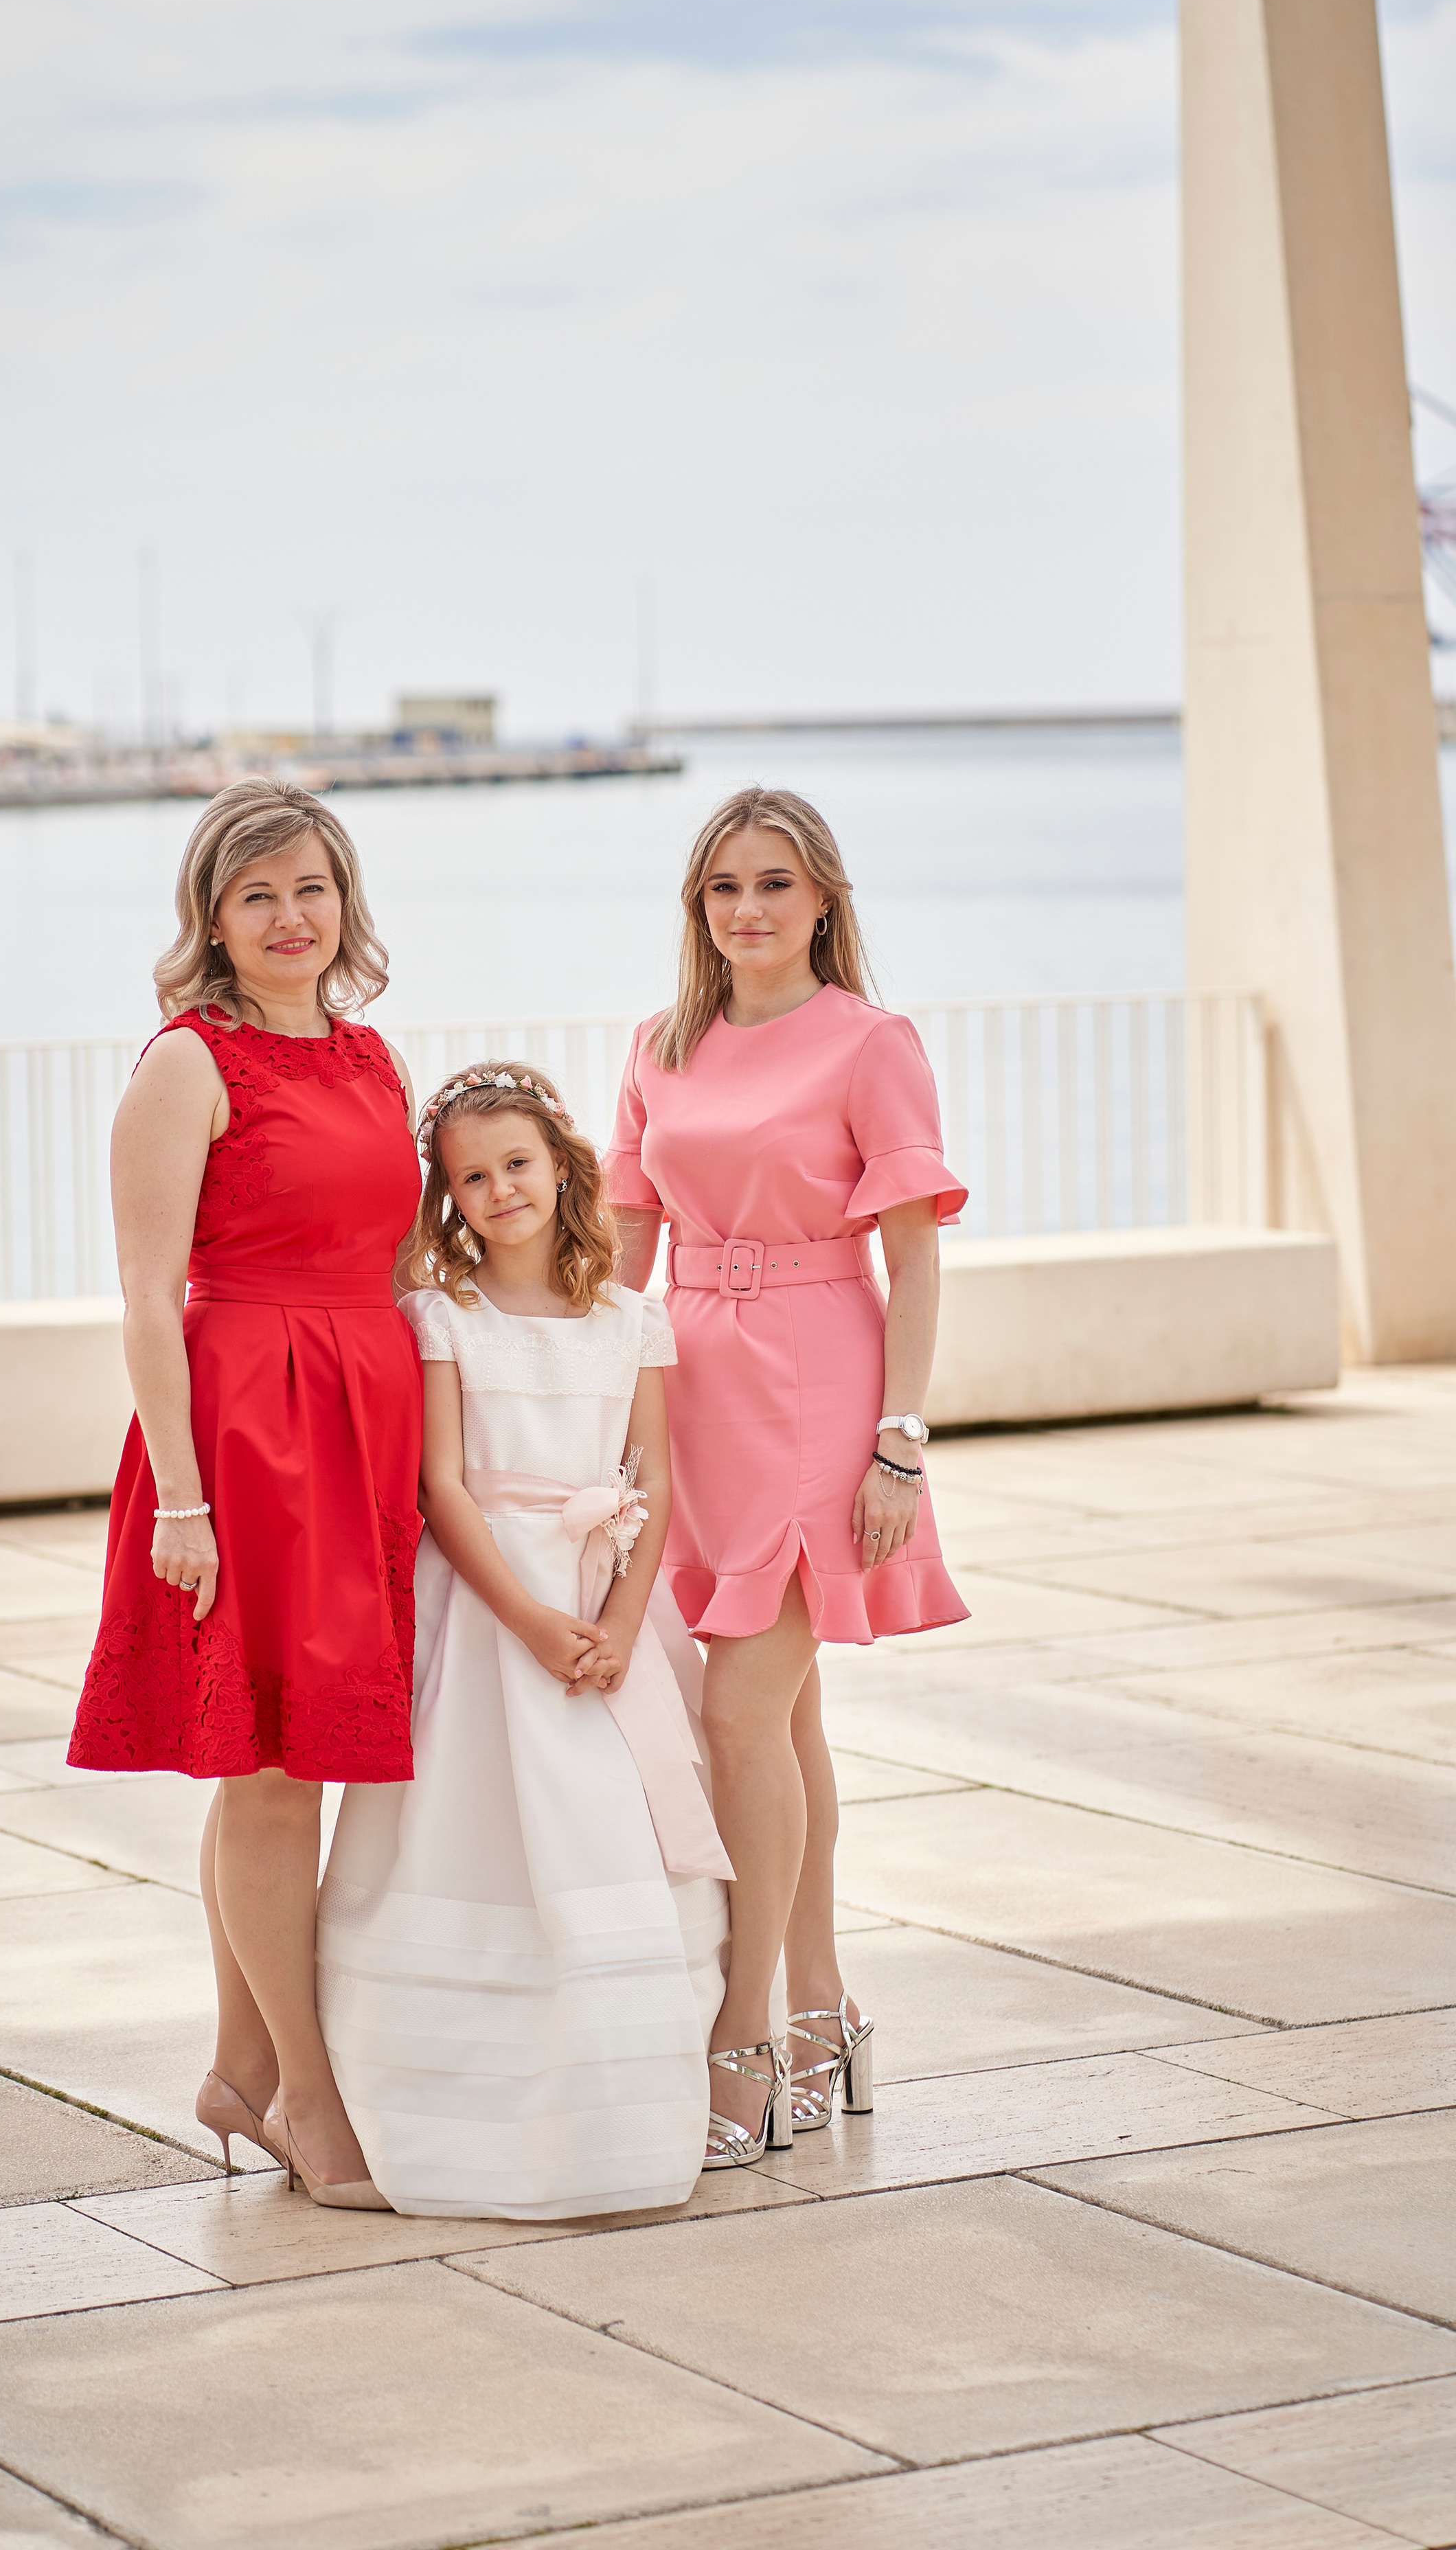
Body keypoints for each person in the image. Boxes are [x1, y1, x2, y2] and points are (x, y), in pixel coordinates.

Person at [67, 779, 422, 2211]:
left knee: (290, 1767)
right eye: (257, 893)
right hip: (242, 1437)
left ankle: (239, 2070)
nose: (289, 917)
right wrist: (184, 1500)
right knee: (270, 1775)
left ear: (345, 907)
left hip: (360, 1428)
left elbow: (397, 1264)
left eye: (311, 890)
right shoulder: (186, 1063)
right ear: (212, 916)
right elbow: (149, 1297)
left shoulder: (370, 1055)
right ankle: (311, 2099)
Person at [605, 787, 968, 2169]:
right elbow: (623, 1243)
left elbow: (915, 1258)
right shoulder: (657, 1043)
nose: (747, 909)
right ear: (697, 909)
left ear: (823, 901)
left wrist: (900, 1439)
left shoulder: (871, 1043)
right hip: (691, 1387)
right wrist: (590, 1415)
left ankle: (736, 2034)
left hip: (819, 1385)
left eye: (773, 884)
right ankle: (822, 2015)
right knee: (785, 1724)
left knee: (740, 1721)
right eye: (721, 889)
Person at [317, 1063, 731, 2218]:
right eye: (471, 1178)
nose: (500, 1190)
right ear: (449, 1200)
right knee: (475, 1827)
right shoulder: (446, 1315)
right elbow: (442, 1488)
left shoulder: (631, 1319)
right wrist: (535, 1622)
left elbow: (651, 1482)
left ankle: (618, 2120)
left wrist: (609, 1622)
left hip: (604, 1607)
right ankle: (454, 2115)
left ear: (563, 1168)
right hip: (493, 1605)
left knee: (608, 1829)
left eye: (518, 1165)